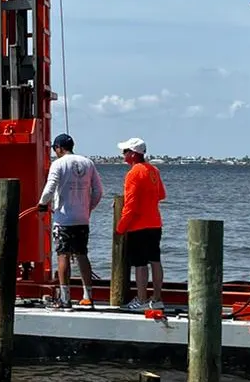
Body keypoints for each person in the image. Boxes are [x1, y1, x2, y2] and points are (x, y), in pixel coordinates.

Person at [36, 132, 104, 309]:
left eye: (55, 149)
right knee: (82, 255)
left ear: (59, 148)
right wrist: (88, 209)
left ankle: (65, 298)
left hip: (64, 218)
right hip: (82, 219)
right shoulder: (88, 163)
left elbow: (50, 187)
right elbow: (98, 191)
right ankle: (88, 296)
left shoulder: (58, 164)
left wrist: (42, 204)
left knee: (63, 255)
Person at [116, 137, 167, 311]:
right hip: (155, 222)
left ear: (132, 154)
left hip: (139, 225)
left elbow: (130, 205)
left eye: (125, 152)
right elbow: (161, 195)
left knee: (139, 263)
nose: (123, 155)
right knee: (155, 260)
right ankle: (157, 298)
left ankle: (142, 299)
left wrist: (121, 226)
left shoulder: (133, 173)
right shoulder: (153, 170)